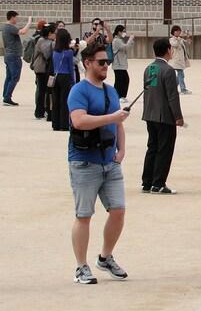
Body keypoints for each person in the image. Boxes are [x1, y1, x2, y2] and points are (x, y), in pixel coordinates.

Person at [67, 39, 130, 285]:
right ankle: (81, 267)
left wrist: (122, 149)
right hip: (84, 162)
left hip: (110, 161)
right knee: (84, 214)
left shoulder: (110, 90)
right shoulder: (79, 91)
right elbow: (79, 121)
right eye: (102, 62)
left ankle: (105, 257)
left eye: (108, 62)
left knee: (118, 211)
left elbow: (118, 123)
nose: (106, 66)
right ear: (87, 63)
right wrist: (113, 117)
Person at [140, 38, 183, 194]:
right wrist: (178, 116)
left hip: (150, 114)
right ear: (167, 50)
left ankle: (147, 181)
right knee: (164, 149)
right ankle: (158, 183)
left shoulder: (149, 68)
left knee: (152, 147)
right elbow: (172, 96)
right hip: (164, 115)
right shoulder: (168, 70)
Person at [51, 27, 78, 131]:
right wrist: (73, 80)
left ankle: (55, 124)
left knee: (56, 100)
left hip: (56, 76)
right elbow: (70, 68)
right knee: (65, 101)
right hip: (65, 76)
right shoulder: (68, 52)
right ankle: (64, 124)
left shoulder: (55, 52)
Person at [2, 11, 32, 106]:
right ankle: (7, 97)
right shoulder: (10, 27)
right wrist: (29, 22)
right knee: (15, 77)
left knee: (9, 77)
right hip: (14, 55)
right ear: (12, 17)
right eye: (16, 17)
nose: (17, 20)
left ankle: (6, 95)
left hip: (8, 55)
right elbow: (23, 32)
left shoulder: (5, 27)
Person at [30, 22, 54, 120]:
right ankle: (39, 112)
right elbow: (47, 54)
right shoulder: (41, 40)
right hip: (41, 69)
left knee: (47, 91)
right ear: (50, 33)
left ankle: (46, 110)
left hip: (47, 69)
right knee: (42, 90)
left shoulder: (47, 40)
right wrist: (54, 43)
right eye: (54, 32)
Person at [108, 25, 133, 100]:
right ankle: (118, 96)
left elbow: (126, 47)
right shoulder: (116, 40)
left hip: (121, 63)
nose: (124, 33)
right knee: (120, 80)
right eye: (123, 31)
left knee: (124, 79)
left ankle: (122, 96)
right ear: (119, 32)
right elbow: (125, 47)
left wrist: (130, 42)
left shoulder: (119, 40)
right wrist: (130, 39)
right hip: (118, 64)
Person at [167, 25, 192, 95]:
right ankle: (183, 89)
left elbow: (189, 42)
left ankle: (172, 88)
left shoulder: (180, 39)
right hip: (176, 60)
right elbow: (175, 45)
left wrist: (188, 36)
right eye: (177, 31)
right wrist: (179, 39)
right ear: (173, 32)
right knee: (181, 74)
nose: (178, 32)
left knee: (180, 75)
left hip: (181, 60)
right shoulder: (172, 39)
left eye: (179, 31)